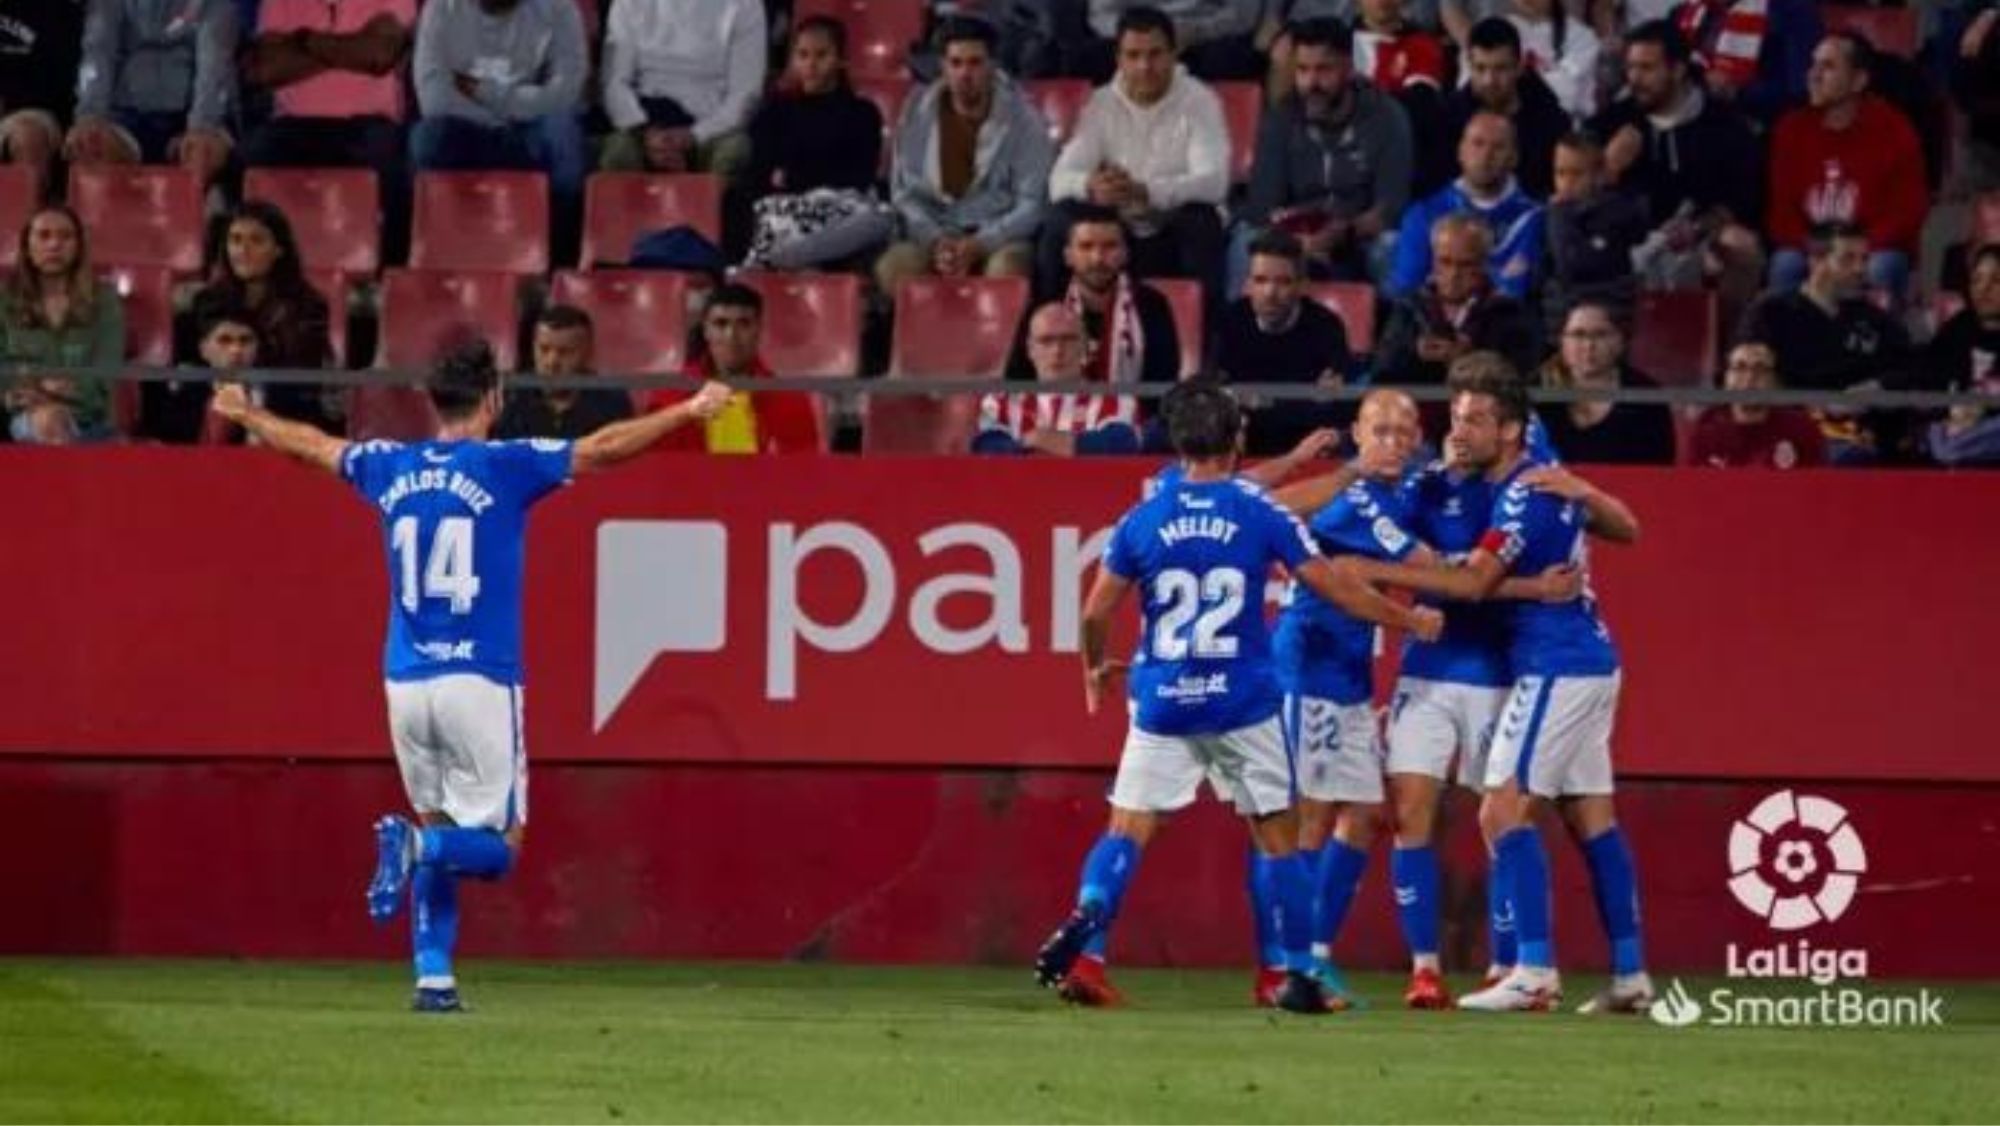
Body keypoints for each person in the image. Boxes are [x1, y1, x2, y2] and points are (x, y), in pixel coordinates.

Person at [205, 340, 733, 1012]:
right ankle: (416, 848)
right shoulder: (505, 465)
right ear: (493, 398)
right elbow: (601, 449)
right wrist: (690, 409)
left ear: (433, 400)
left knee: (440, 822)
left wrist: (244, 413)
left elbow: (311, 444)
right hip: (479, 679)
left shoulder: (386, 465)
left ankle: (433, 976)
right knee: (494, 846)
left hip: (404, 681)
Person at [1031, 378, 1444, 1011]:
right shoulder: (1260, 513)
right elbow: (1332, 585)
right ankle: (1292, 974)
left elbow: (1094, 611)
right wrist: (1409, 620)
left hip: (1163, 698)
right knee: (1277, 837)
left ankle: (1089, 931)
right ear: (1238, 439)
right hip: (1242, 702)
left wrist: (1093, 669)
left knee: (1128, 827)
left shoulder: (1145, 515)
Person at [1395, 364, 1652, 1014]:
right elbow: (1626, 527)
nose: (1458, 433)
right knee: (1591, 817)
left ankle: (1533, 968)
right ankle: (1630, 975)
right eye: (1454, 418)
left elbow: (1475, 583)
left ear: (1510, 429)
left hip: (1557, 665)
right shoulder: (1544, 476)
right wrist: (1584, 491)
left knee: (1498, 808)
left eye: (1474, 420)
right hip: (1590, 661)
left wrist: (1385, 569)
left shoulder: (1521, 495)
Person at [1042, 6, 1229, 303]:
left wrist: (1147, 191)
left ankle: (1206, 341)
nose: (1144, 66)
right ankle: (1050, 329)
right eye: (1133, 56)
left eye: (1155, 54)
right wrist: (1092, 186)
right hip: (1121, 230)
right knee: (1059, 219)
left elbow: (1214, 183)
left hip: (1173, 229)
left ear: (1173, 53)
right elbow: (1058, 182)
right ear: (1118, 59)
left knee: (1202, 221)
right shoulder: (1101, 103)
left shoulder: (1200, 100)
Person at [1232, 18, 1412, 292]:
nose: (1311, 82)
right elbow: (1264, 205)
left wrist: (1345, 231)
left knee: (1392, 248)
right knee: (1245, 241)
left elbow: (1390, 208)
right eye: (1303, 70)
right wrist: (1300, 239)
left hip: (1358, 234)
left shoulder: (1386, 117)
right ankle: (1243, 330)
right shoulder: (1282, 118)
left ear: (1349, 68)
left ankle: (1396, 333)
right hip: (1291, 234)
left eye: (1324, 70)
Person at [876, 16, 1051, 294]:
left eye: (975, 63)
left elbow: (1032, 204)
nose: (965, 73)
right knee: (894, 268)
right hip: (933, 231)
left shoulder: (1025, 121)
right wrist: (934, 240)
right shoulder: (915, 113)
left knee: (1006, 269)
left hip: (998, 233)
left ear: (992, 65)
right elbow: (902, 193)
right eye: (956, 63)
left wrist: (982, 243)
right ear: (943, 67)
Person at [410, 0, 587, 264]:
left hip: (528, 133)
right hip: (467, 133)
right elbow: (435, 100)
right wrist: (522, 103)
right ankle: (439, 255)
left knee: (563, 135)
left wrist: (484, 92)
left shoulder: (560, 9)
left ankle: (557, 263)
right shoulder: (440, 9)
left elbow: (564, 95)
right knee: (427, 138)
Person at [240, 0, 416, 260]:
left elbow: (378, 55)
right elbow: (268, 69)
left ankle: (384, 279)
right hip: (293, 126)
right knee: (249, 156)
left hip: (369, 125)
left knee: (394, 162)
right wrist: (351, 47)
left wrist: (303, 40)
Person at [1764, 32, 1926, 304]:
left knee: (1880, 268)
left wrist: (1852, 253)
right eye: (1812, 65)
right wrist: (1819, 251)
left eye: (1827, 67)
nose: (1813, 75)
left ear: (1859, 80)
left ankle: (1875, 343)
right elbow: (1781, 214)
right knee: (1785, 265)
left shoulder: (1895, 130)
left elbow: (1908, 213)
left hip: (1874, 249)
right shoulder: (1790, 129)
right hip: (1811, 248)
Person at [737, 15, 890, 271]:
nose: (811, 64)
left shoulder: (862, 113)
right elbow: (760, 176)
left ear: (840, 59)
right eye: (803, 55)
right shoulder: (774, 112)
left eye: (821, 55)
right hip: (784, 214)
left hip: (837, 212)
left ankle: (786, 258)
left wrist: (792, 175)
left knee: (880, 218)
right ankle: (791, 258)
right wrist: (802, 177)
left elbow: (857, 177)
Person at [187, 200, 336, 433]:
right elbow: (193, 367)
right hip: (218, 405)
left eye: (256, 240)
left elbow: (305, 379)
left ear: (279, 249)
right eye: (235, 240)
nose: (243, 250)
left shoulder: (308, 305)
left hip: (286, 411)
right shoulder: (207, 302)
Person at [65, 0, 237, 192]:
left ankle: (195, 217)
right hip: (125, 117)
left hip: (191, 119)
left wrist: (202, 125)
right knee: (91, 145)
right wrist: (90, 116)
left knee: (203, 152)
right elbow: (97, 53)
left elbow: (214, 65)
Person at [1212, 229, 1353, 455]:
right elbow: (1217, 394)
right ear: (1247, 284)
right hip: (1242, 440)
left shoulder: (1326, 327)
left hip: (1307, 445)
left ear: (1302, 285)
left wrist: (1257, 403)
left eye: (1283, 282)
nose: (1270, 292)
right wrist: (1299, 403)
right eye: (1260, 280)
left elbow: (1332, 409)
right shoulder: (1230, 321)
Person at [1007, 205, 1180, 388]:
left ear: (1125, 254)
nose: (1097, 258)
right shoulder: (1044, 305)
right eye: (1086, 247)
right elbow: (1018, 379)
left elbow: (1162, 384)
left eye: (1110, 246)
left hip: (1134, 414)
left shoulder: (1152, 305)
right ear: (1068, 256)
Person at [599, 0, 765, 185]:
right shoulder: (628, 4)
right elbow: (615, 84)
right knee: (619, 152)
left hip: (711, 129)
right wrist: (645, 133)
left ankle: (712, 212)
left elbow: (745, 93)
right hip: (646, 125)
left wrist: (694, 135)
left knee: (735, 151)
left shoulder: (745, 6)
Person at [1388, 111, 1545, 303]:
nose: (1486, 155)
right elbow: (1408, 292)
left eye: (1498, 147)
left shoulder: (1536, 218)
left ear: (1514, 157)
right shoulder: (1424, 215)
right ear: (1460, 151)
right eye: (1477, 144)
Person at [647, 283, 821, 454]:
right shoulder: (670, 393)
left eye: (744, 324)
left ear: (759, 329)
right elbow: (657, 469)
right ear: (706, 330)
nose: (731, 335)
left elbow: (803, 472)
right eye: (721, 324)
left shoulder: (790, 399)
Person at [0, 206, 123, 444]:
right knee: (49, 421)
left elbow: (105, 374)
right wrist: (38, 390)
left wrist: (46, 390)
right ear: (27, 246)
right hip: (24, 416)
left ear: (78, 246)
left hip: (89, 418)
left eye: (65, 236)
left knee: (56, 422)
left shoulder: (105, 301)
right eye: (44, 235)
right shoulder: (4, 301)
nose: (54, 245)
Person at [1377, 214, 1539, 393]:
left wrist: (1470, 360)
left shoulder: (1508, 313)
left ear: (1484, 264)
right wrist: (1414, 353)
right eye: (1445, 262)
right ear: (1433, 260)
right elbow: (1381, 373)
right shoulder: (1409, 308)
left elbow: (1521, 379)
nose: (1453, 274)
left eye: (1465, 265)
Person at [976, 303, 1141, 456]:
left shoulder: (1115, 398)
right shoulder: (1001, 401)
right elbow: (986, 445)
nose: (1057, 351)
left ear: (1086, 347)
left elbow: (1124, 442)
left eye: (1068, 340)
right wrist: (1029, 442)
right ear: (1030, 349)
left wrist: (1068, 443)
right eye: (1046, 341)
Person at [1535, 302, 1675, 465]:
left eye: (1600, 335)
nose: (1589, 345)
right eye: (1578, 335)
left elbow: (1660, 467)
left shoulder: (1647, 395)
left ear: (1620, 341)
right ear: (1562, 342)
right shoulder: (1537, 390)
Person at [494, 304, 634, 440]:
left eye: (565, 352)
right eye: (543, 349)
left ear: (588, 353)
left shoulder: (612, 401)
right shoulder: (511, 397)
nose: (551, 362)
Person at [1686, 340, 1825, 468]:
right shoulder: (1705, 428)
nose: (1750, 378)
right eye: (1740, 367)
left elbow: (1817, 488)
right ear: (1726, 379)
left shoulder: (1802, 429)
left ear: (1775, 382)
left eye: (1761, 369)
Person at [0, 0, 86, 200]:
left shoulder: (60, 12)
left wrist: (8, 98)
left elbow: (61, 82)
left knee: (27, 136)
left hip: (32, 111)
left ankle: (31, 225)